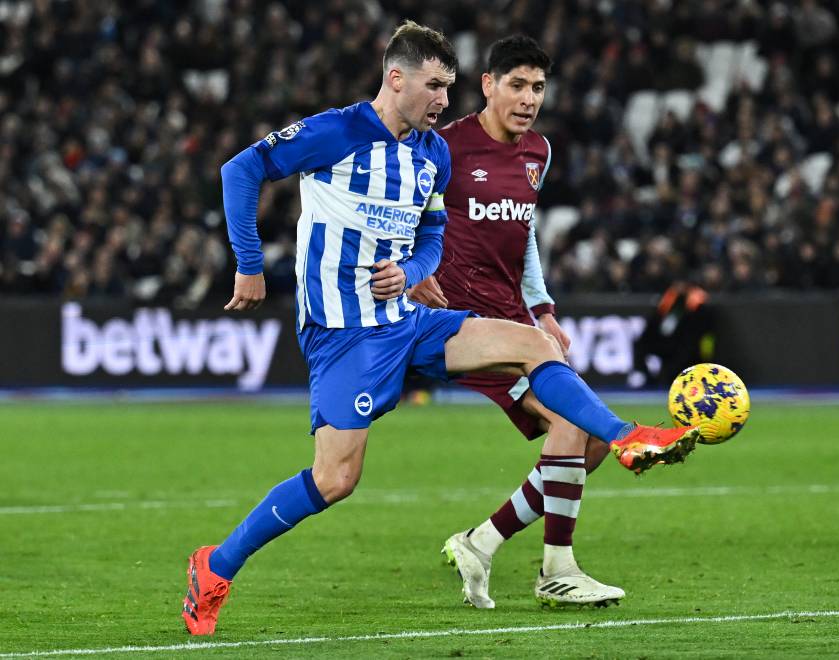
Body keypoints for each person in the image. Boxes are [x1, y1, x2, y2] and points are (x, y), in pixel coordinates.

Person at [181, 21, 700, 636]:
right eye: (434, 86)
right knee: (336, 479)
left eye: (449, 88)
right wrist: (248, 265)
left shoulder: (433, 153)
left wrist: (413, 270)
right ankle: (215, 565)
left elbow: (431, 237)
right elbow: (240, 171)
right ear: (395, 79)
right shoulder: (337, 132)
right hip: (345, 334)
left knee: (534, 343)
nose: (444, 101)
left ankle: (626, 436)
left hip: (411, 322)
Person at [407, 35, 663, 610]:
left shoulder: (537, 153)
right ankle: (557, 569)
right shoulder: (444, 148)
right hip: (463, 320)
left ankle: (483, 540)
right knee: (572, 424)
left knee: (589, 443)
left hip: (519, 318)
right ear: (488, 85)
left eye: (538, 88)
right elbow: (402, 215)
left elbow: (522, 241)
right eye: (517, 85)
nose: (528, 99)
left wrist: (543, 307)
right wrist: (411, 268)